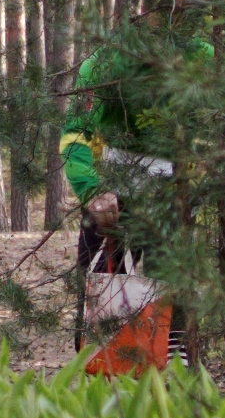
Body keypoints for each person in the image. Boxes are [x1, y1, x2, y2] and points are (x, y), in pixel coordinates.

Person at [61, 28, 213, 374]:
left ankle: (175, 384)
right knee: (99, 291)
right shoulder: (106, 60)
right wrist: (92, 191)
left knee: (175, 296)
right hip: (112, 192)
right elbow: (75, 130)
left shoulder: (204, 56)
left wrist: (209, 174)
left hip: (177, 193)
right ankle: (99, 380)